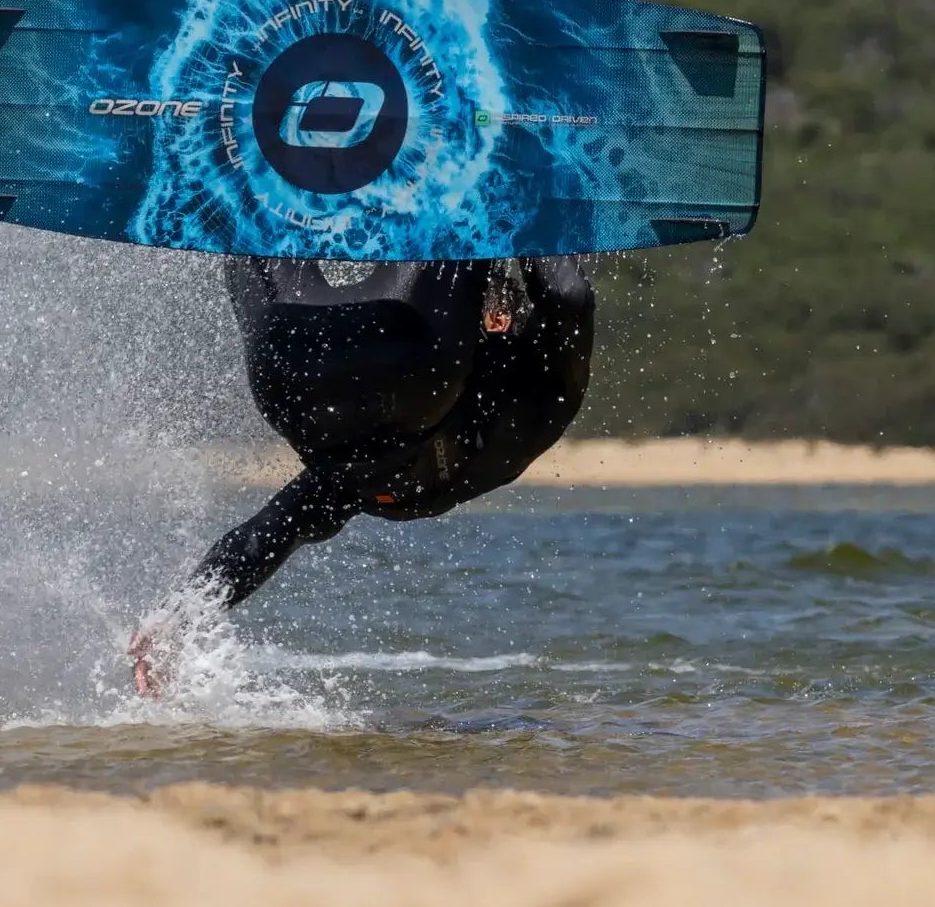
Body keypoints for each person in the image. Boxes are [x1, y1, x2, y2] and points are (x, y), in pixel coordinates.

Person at [129, 255, 594, 693]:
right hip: (288, 385)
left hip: (403, 362)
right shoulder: (360, 477)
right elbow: (267, 535)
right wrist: (179, 617)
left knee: (465, 218)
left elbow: (569, 295)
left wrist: (530, 225)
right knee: (247, 228)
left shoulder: (524, 409)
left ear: (495, 321)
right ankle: (232, 185)